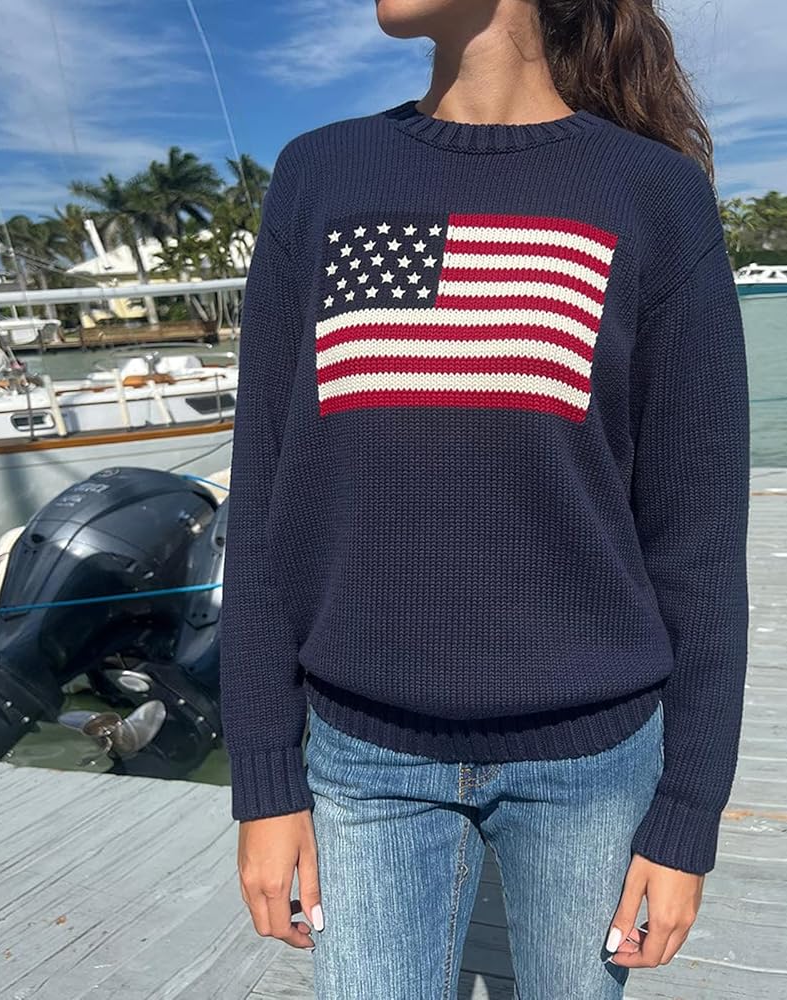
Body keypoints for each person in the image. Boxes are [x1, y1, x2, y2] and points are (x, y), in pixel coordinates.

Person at [220, 1, 750, 997]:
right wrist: (263, 777)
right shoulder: (321, 174)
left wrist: (688, 815)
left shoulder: (652, 193)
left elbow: (700, 542)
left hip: (593, 761)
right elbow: (262, 512)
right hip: (362, 756)